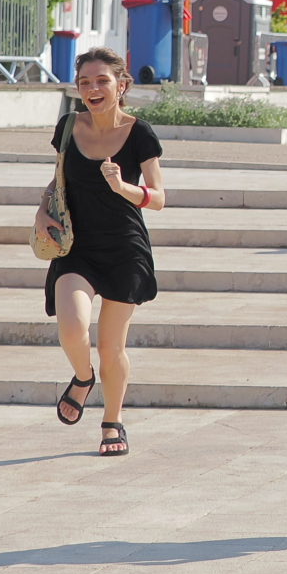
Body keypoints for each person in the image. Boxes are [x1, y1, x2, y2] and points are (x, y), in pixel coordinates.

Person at [41, 46, 165, 457]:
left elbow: (159, 197)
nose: (93, 88)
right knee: (72, 327)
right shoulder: (68, 126)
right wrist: (42, 214)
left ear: (121, 85)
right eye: (85, 82)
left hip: (125, 250)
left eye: (102, 80)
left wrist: (123, 187)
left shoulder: (139, 132)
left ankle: (112, 421)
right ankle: (82, 376)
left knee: (112, 347)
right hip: (77, 246)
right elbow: (56, 180)